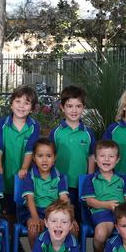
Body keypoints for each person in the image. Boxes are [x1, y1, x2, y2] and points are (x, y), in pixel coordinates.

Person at [80, 139, 126, 252]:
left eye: (111, 156)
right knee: (100, 234)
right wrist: (108, 205)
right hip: (101, 212)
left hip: (122, 213)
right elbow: (90, 201)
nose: (106, 159)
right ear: (96, 159)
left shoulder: (124, 179)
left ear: (117, 160)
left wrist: (124, 210)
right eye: (102, 156)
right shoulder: (90, 179)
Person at [48, 85, 96, 221]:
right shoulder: (56, 132)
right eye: (69, 106)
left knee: (80, 220)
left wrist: (89, 179)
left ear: (83, 107)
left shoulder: (88, 133)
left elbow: (91, 157)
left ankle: (78, 243)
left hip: (81, 184)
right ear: (62, 107)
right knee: (62, 218)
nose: (74, 110)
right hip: (60, 184)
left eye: (78, 106)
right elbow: (50, 157)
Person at [0, 85, 41, 217]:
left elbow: (30, 149)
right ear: (11, 104)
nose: (21, 106)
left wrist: (25, 167)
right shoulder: (2, 123)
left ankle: (15, 235)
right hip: (5, 173)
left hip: (23, 175)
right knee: (5, 211)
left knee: (20, 210)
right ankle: (7, 235)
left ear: (32, 108)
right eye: (18, 101)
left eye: (26, 103)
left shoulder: (34, 126)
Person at [19, 139, 70, 247]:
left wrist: (70, 217)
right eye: (40, 156)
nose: (44, 160)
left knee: (71, 229)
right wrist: (35, 218)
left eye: (49, 156)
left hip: (53, 212)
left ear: (54, 157)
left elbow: (64, 199)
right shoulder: (30, 176)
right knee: (33, 229)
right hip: (33, 211)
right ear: (34, 158)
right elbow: (30, 200)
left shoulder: (59, 176)